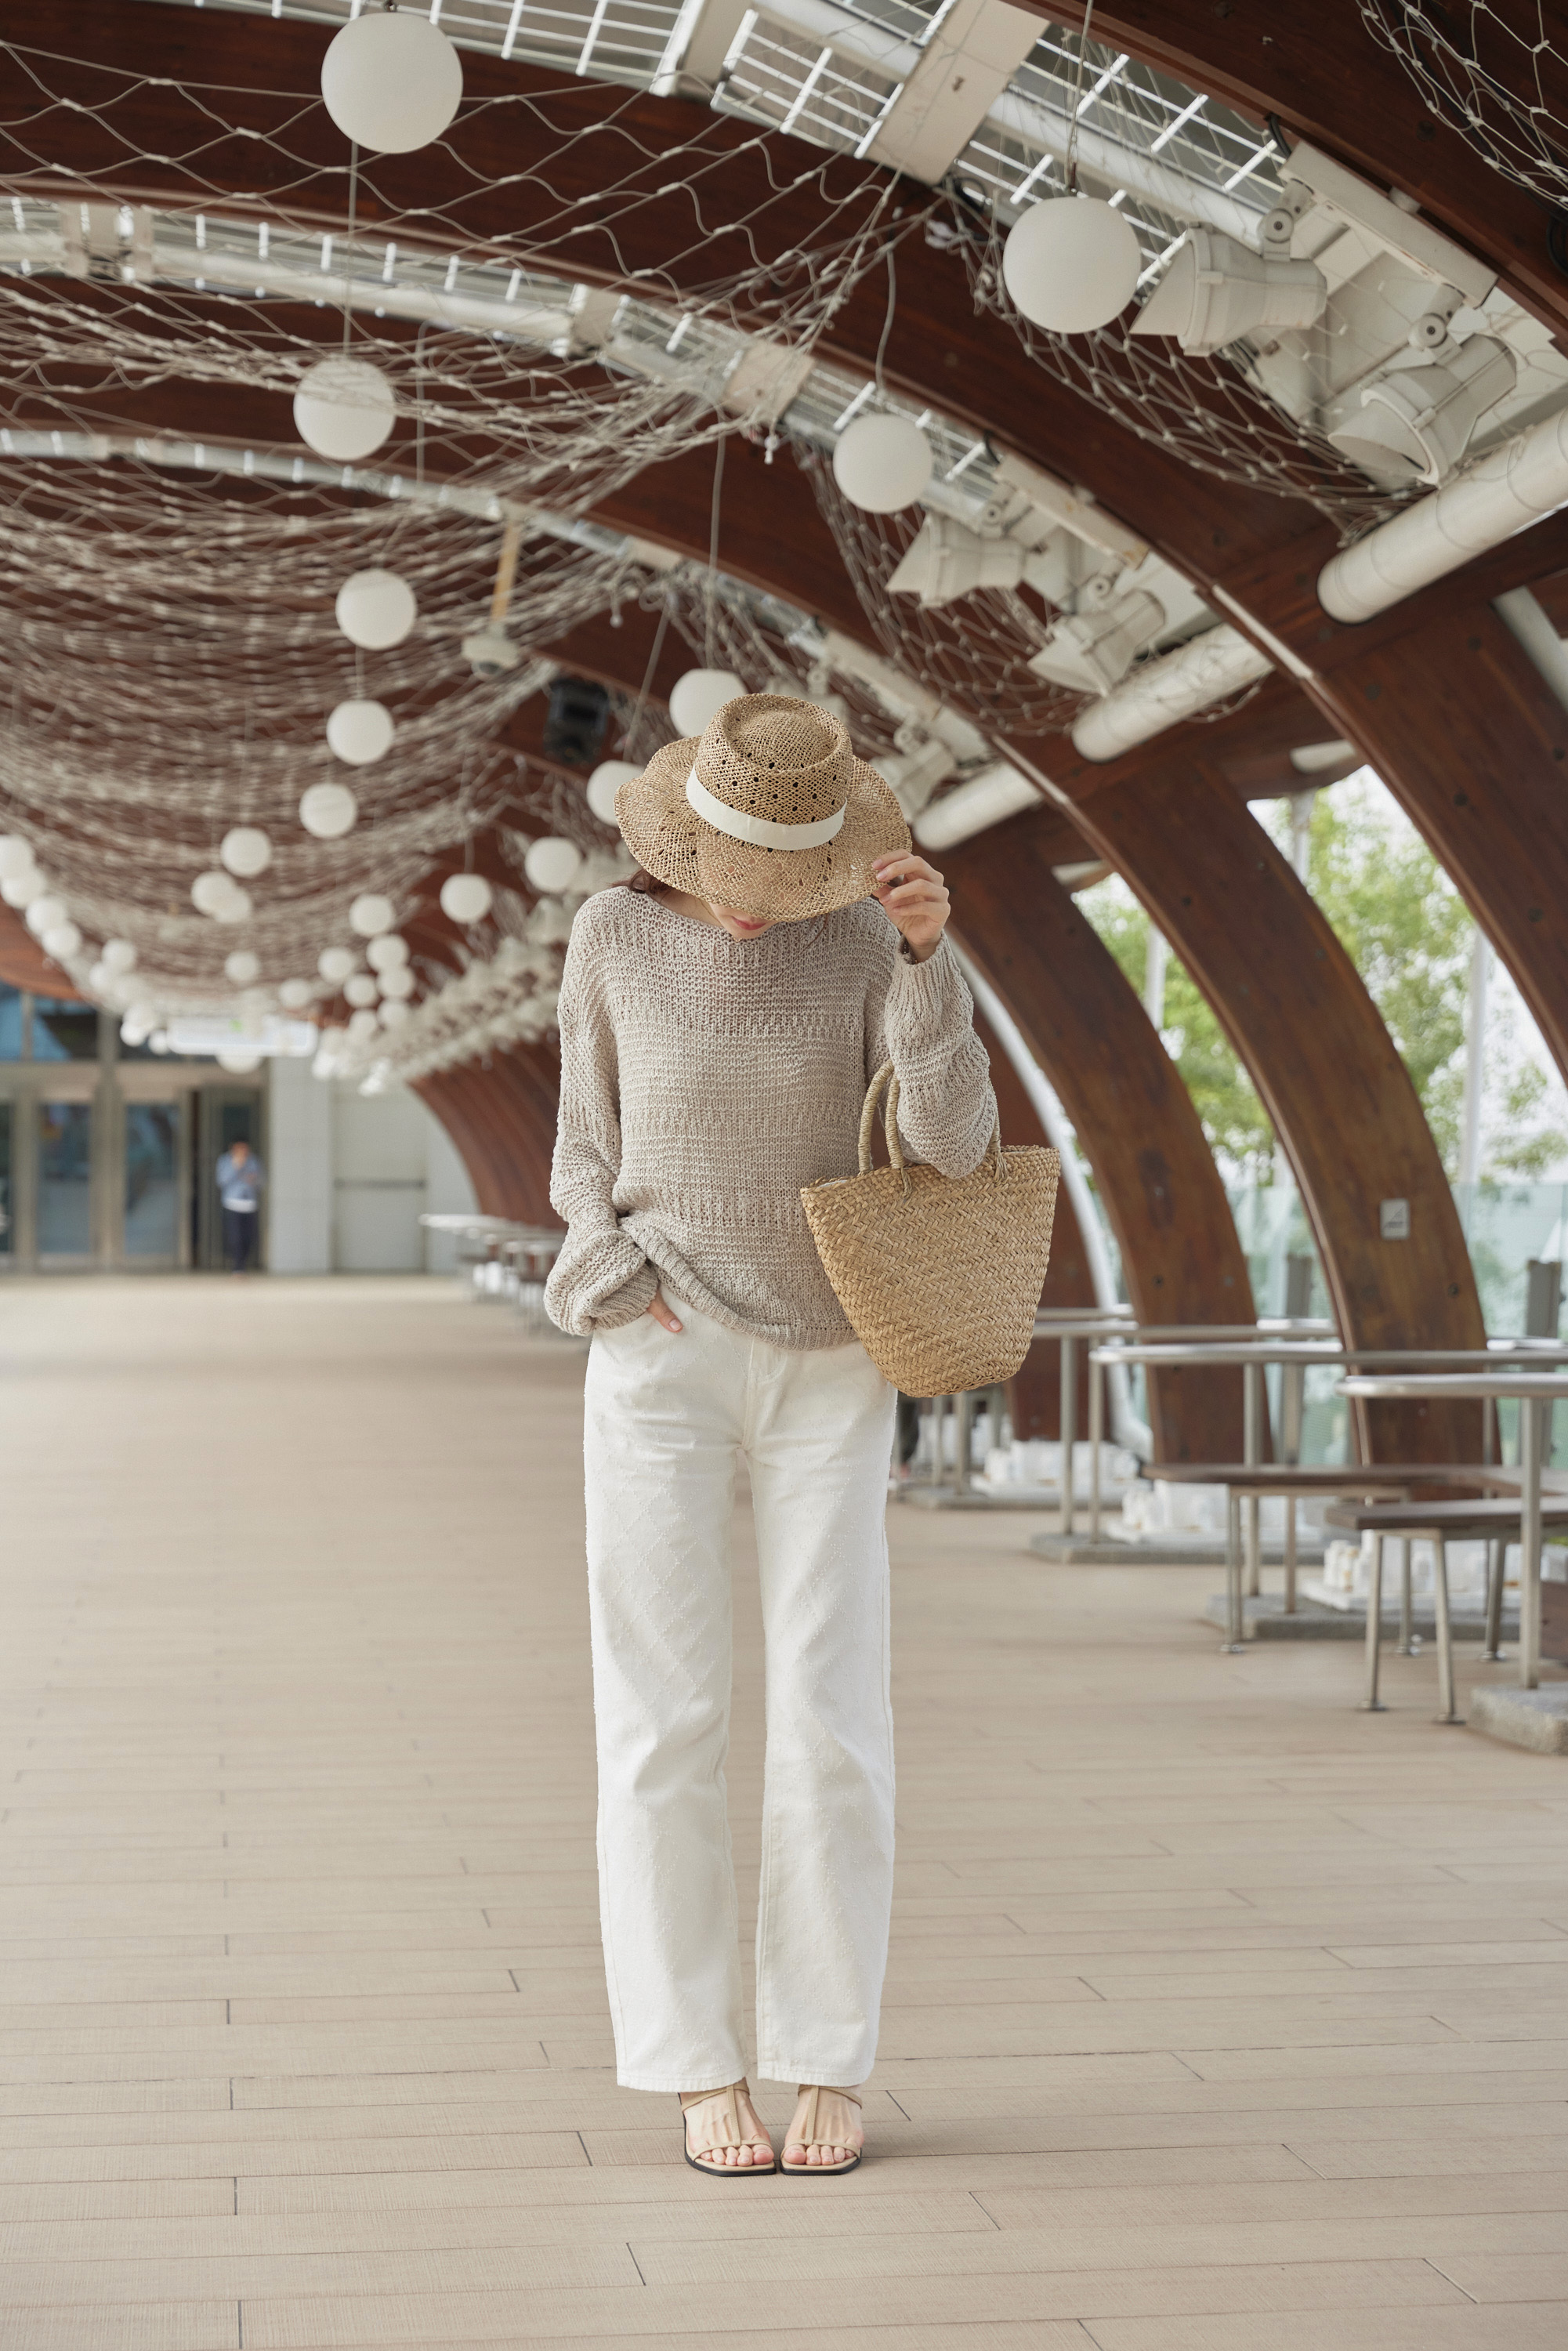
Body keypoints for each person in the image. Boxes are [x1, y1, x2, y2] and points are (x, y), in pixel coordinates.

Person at [545, 694, 994, 2178]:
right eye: (742, 870)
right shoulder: (611, 940)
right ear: (695, 832)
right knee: (662, 1718)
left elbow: (947, 1151)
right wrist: (612, 1283)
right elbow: (581, 1150)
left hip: (833, 1361)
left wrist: (933, 965)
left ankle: (823, 2057)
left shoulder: (869, 941)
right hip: (659, 1349)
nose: (756, 908)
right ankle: (690, 2067)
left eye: (791, 879)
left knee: (831, 1712)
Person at [215, 1137, 264, 1273]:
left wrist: (253, 1179)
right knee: (235, 1237)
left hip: (249, 1204)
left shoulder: (253, 1161)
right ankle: (238, 1268)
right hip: (232, 1204)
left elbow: (261, 1182)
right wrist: (236, 1166)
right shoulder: (225, 1161)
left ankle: (242, 1263)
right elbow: (221, 1181)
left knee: (248, 1237)